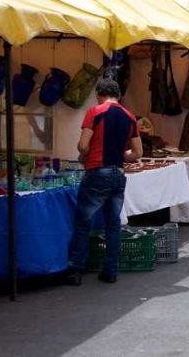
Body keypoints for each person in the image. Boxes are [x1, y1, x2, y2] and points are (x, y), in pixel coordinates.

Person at [66, 79, 143, 285]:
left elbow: (83, 145)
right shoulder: (130, 117)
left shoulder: (95, 112)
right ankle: (110, 270)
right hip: (118, 173)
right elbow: (137, 152)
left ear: (99, 94)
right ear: (118, 95)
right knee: (113, 224)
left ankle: (76, 269)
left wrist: (86, 151)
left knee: (83, 222)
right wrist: (120, 153)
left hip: (97, 172)